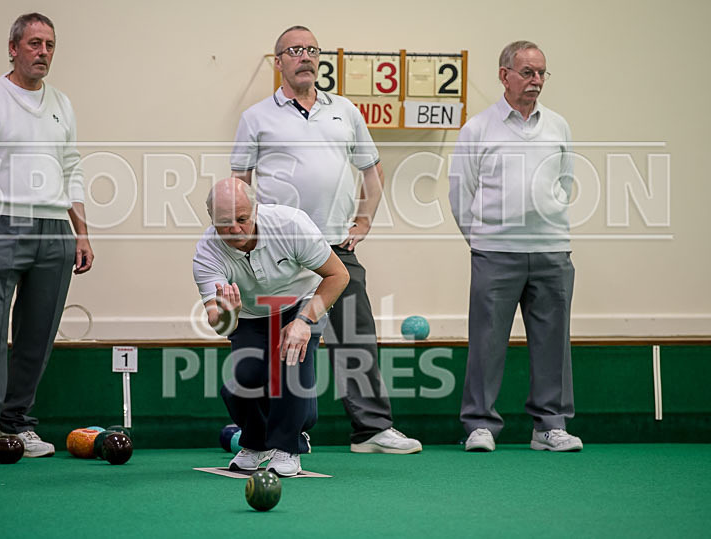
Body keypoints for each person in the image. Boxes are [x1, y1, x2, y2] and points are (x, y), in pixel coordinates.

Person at [230, 25, 421, 454]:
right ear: (277, 62)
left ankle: (371, 431)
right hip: (282, 252)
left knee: (356, 334)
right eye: (294, 50)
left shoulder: (346, 111)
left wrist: (364, 220)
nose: (305, 57)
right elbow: (239, 183)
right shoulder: (256, 117)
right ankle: (274, 434)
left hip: (336, 245)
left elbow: (372, 168)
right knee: (281, 342)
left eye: (312, 50)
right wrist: (244, 236)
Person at [0, 13, 93, 462]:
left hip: (54, 230)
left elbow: (72, 171)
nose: (42, 52)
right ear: (13, 48)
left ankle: (17, 425)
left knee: (37, 334)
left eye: (49, 44)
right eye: (33, 43)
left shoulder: (61, 103)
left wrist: (81, 234)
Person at [448, 41, 582, 452]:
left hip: (551, 251)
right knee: (487, 340)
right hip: (495, 253)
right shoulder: (478, 128)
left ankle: (549, 425)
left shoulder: (558, 126)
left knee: (553, 341)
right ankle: (479, 425)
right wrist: (483, 238)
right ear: (504, 75)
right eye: (527, 72)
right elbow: (460, 191)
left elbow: (565, 182)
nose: (536, 80)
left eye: (541, 72)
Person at [193, 178, 349, 476]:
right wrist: (229, 313)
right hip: (250, 314)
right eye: (224, 223)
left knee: (289, 368)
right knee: (242, 381)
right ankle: (260, 442)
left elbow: (338, 275)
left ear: (256, 210)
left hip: (300, 303)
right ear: (211, 219)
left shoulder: (290, 224)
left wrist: (304, 321)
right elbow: (219, 323)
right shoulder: (207, 252)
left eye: (242, 219)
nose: (235, 230)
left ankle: (287, 447)